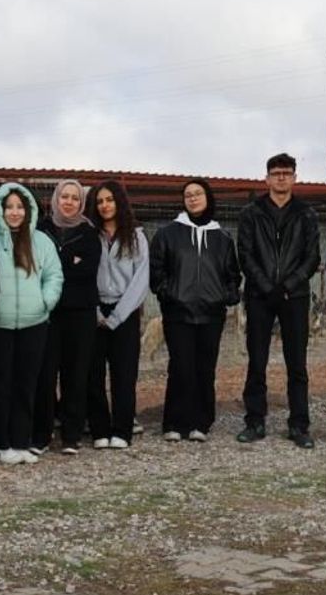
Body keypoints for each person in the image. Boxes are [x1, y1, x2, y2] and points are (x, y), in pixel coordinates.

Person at [237, 153, 321, 449]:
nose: (281, 177)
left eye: (286, 173)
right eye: (276, 173)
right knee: (257, 360)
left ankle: (299, 424)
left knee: (296, 363)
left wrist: (287, 284)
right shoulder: (251, 212)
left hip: (294, 296)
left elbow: (312, 256)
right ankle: (255, 420)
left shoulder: (306, 213)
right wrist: (265, 285)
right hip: (260, 296)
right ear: (267, 178)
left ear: (295, 177)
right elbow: (245, 254)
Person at [150, 179, 241, 443]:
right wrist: (168, 294)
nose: (192, 198)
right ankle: (174, 423)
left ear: (208, 197)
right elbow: (157, 270)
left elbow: (232, 274)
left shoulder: (222, 237)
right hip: (178, 313)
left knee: (205, 367)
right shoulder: (168, 233)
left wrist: (227, 296)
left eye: (198, 193)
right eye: (188, 194)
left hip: (212, 314)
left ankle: (201, 422)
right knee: (180, 366)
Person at [0, 183, 63, 465]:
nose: (14, 212)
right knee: (0, 384)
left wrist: (45, 301)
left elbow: (54, 275)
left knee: (26, 384)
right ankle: (1, 442)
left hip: (34, 322)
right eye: (9, 207)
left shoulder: (41, 241)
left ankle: (21, 440)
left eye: (20, 207)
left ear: (28, 210)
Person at [34, 179, 101, 455]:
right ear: (56, 199)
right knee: (45, 374)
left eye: (75, 198)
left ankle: (71, 435)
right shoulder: (41, 230)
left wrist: (58, 267)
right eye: (65, 197)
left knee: (76, 373)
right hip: (48, 312)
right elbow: (38, 267)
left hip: (80, 314)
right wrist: (67, 263)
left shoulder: (89, 233)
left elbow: (87, 270)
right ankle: (42, 433)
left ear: (81, 203)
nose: (70, 202)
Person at [85, 180, 150, 449]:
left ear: (119, 201)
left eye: (109, 200)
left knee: (124, 374)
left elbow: (141, 279)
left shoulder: (136, 236)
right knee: (93, 373)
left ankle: (122, 430)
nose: (104, 205)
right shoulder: (88, 235)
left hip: (125, 312)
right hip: (94, 311)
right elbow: (84, 276)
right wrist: (96, 311)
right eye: (100, 201)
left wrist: (117, 316)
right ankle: (99, 429)